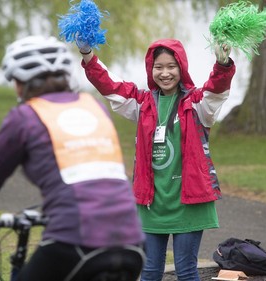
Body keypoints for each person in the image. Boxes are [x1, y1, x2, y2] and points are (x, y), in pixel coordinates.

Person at [0, 35, 145, 281]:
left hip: (74, 243)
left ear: (19, 83)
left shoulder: (24, 117)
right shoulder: (93, 107)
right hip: (133, 243)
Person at [77, 38, 236, 281]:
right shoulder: (141, 103)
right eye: (158, 67)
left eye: (171, 66)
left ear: (181, 67)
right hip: (151, 203)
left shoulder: (197, 104)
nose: (165, 73)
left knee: (186, 271)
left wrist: (222, 65)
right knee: (149, 272)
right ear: (150, 69)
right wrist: (87, 54)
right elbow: (110, 86)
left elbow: (216, 91)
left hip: (189, 203)